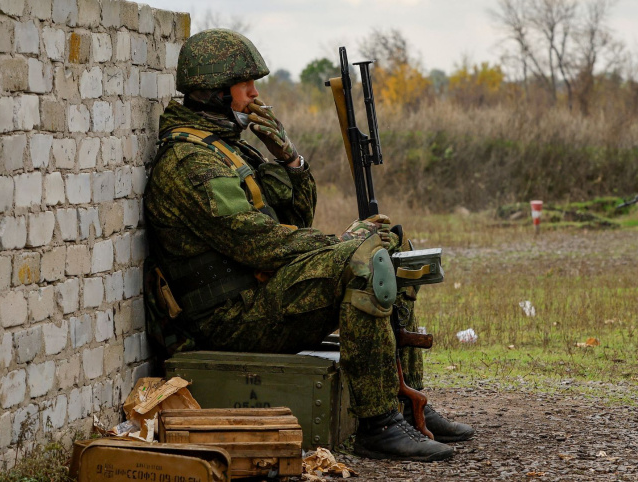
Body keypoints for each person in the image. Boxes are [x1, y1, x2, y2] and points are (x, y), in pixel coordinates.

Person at [143, 29, 472, 462]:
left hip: (257, 298)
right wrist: (344, 241)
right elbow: (256, 243)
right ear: (216, 93)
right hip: (227, 321)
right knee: (363, 262)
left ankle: (408, 405)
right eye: (246, 87)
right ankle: (379, 425)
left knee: (390, 245)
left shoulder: (227, 149)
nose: (255, 95)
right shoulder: (191, 161)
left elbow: (297, 218)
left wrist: (289, 159)